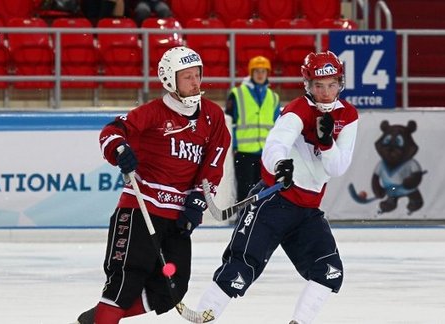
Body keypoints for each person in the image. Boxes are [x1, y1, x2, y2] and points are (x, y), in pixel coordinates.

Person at [195, 51, 359, 323]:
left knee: (329, 272)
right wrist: (281, 164)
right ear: (308, 85)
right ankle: (201, 318)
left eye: (332, 84)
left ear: (340, 82)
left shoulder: (349, 116)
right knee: (239, 271)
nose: (326, 93)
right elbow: (276, 144)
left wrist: (327, 143)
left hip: (307, 211)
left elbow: (337, 167)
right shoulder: (298, 109)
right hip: (274, 203)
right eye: (319, 85)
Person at [74, 46, 231, 324]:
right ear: (170, 80)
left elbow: (213, 165)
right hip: (140, 210)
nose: (195, 82)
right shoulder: (153, 113)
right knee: (125, 282)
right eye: (187, 77)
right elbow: (111, 132)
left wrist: (196, 203)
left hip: (179, 218)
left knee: (170, 290)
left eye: (197, 75)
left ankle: (97, 319)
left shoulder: (212, 116)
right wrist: (120, 149)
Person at [226, 55, 281, 204]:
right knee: (245, 190)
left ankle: (259, 221)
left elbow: (277, 126)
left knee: (264, 191)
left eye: (263, 71)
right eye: (256, 71)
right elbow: (229, 122)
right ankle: (243, 219)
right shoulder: (237, 94)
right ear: (251, 72)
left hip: (265, 153)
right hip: (244, 151)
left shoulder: (274, 97)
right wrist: (234, 145)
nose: (260, 74)